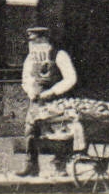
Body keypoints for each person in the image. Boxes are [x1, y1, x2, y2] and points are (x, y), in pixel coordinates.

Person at [17, 27, 80, 178]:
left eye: (36, 41)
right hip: (37, 99)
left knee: (59, 133)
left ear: (45, 40)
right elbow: (26, 78)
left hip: (57, 99)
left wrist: (52, 91)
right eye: (32, 41)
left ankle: (60, 165)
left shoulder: (60, 55)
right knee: (30, 131)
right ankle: (31, 166)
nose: (33, 44)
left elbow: (71, 78)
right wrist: (30, 90)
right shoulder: (31, 58)